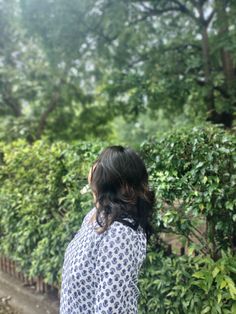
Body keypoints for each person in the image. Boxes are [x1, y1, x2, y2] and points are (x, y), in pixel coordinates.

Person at [59, 145, 155, 314]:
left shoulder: (120, 234)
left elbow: (109, 308)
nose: (93, 167)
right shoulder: (97, 215)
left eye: (99, 164)